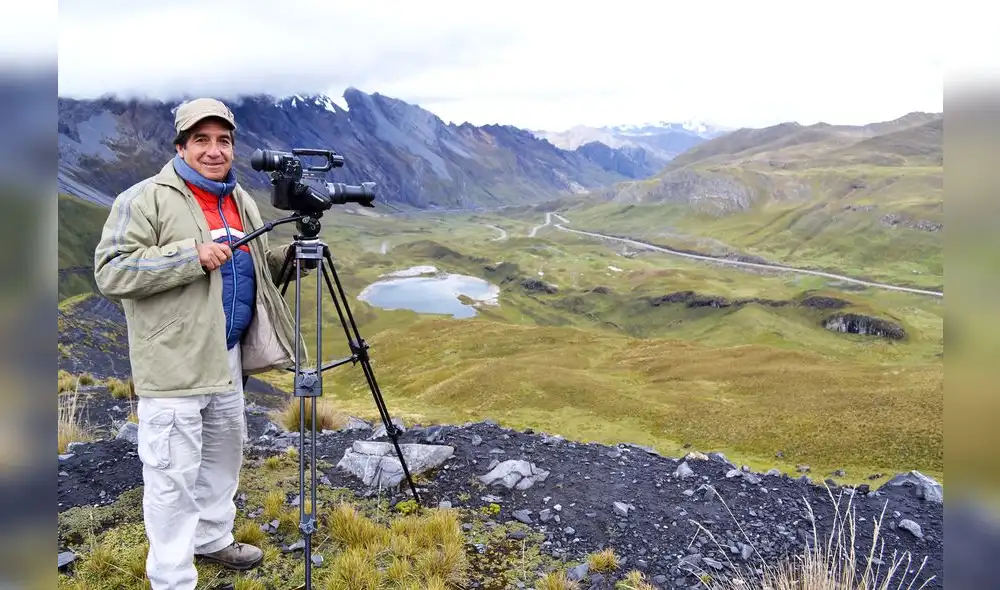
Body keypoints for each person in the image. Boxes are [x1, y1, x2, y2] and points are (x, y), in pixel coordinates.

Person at [93, 97, 307, 590]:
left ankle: (212, 538)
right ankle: (171, 577)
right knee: (171, 475)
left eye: (224, 141)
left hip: (225, 356)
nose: (214, 151)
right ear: (181, 146)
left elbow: (243, 269)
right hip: (172, 364)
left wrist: (284, 260)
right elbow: (112, 270)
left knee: (222, 456)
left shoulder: (240, 200)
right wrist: (191, 255)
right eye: (202, 141)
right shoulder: (143, 198)